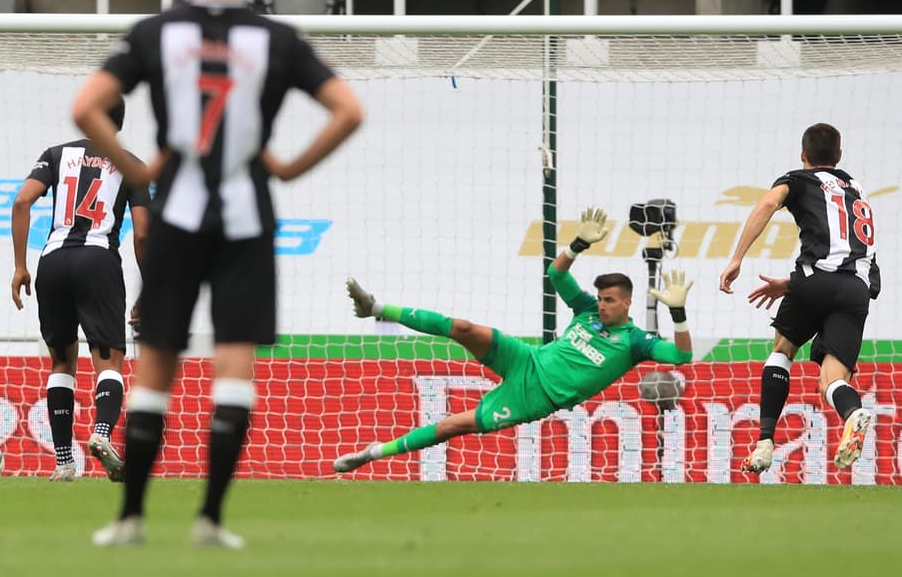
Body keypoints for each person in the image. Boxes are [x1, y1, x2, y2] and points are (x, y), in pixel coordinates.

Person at [71, 0, 362, 548]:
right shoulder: (276, 38)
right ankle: (209, 520)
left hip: (176, 210)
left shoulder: (158, 30)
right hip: (246, 219)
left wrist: (138, 168)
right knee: (234, 368)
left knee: (156, 368)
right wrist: (287, 167)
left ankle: (130, 519)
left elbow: (85, 107)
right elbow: (349, 110)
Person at [332, 207, 694, 474]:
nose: (601, 306)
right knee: (463, 327)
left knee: (451, 426)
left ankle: (369, 455)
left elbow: (681, 355)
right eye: (600, 299)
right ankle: (375, 307)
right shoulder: (586, 310)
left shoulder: (635, 342)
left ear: (627, 303)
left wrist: (677, 313)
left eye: (609, 301)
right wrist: (579, 243)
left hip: (535, 397)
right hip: (527, 359)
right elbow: (557, 272)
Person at [720, 123, 880, 473]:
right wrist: (791, 284)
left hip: (813, 279)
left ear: (802, 155)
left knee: (782, 351)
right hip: (855, 291)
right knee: (833, 380)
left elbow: (767, 202)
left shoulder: (797, 178)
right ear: (839, 156)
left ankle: (764, 442)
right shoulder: (858, 190)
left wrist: (737, 258)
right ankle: (853, 412)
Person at [10, 99, 150, 483]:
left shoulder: (56, 155)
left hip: (52, 262)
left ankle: (63, 463)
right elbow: (142, 233)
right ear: (119, 123)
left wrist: (21, 265)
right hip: (98, 261)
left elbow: (22, 200)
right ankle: (101, 434)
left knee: (61, 363)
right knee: (109, 360)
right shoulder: (133, 166)